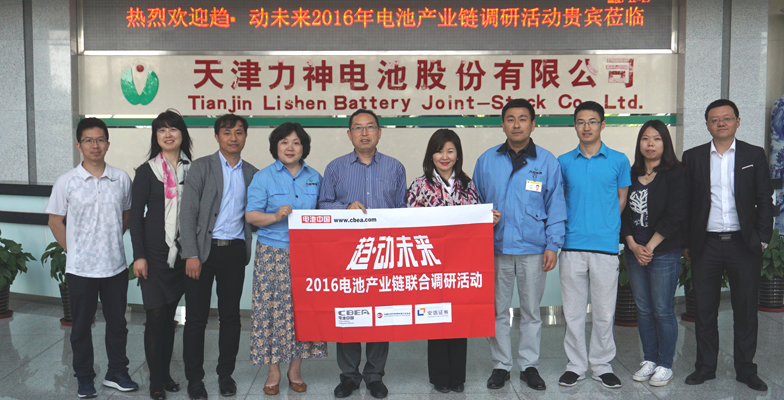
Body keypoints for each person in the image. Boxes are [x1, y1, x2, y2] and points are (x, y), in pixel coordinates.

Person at [473, 99, 567, 391]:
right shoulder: (486, 160)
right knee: (497, 311)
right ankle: (501, 365)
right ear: (502, 124)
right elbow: (474, 202)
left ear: (533, 124)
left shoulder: (547, 161)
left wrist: (553, 244)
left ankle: (529, 366)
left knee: (531, 311)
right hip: (496, 248)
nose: (516, 125)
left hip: (533, 249)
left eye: (523, 119)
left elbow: (556, 204)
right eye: (510, 119)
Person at [682, 99, 773, 391]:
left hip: (743, 244)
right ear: (707, 125)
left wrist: (762, 238)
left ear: (737, 121)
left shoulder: (753, 154)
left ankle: (746, 369)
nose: (721, 123)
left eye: (726, 118)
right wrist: (687, 242)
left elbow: (764, 199)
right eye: (714, 119)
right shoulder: (692, 156)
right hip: (706, 244)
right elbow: (686, 203)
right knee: (704, 309)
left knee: (745, 309)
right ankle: (705, 367)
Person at [46, 118, 139, 398]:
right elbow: (55, 221)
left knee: (118, 324)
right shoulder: (67, 181)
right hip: (81, 269)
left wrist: (109, 241)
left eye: (100, 140)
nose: (94, 145)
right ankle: (84, 377)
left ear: (108, 144)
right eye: (88, 140)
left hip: (115, 267)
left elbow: (126, 215)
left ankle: (117, 372)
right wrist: (75, 249)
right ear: (79, 145)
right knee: (80, 327)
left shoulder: (121, 178)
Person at [318, 109, 406, 399]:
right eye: (358, 128)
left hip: (383, 253)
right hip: (346, 254)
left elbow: (403, 211)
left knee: (381, 314)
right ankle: (349, 376)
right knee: (348, 314)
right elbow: (322, 205)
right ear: (349, 134)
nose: (364, 133)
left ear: (379, 132)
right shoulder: (335, 168)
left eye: (370, 127)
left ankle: (375, 375)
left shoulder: (395, 167)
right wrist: (345, 208)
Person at [407, 129, 500, 394]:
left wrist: (489, 220)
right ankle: (439, 376)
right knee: (435, 318)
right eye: (439, 151)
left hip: (462, 264)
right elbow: (410, 222)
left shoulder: (468, 184)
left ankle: (458, 376)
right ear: (431, 155)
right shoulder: (419, 185)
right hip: (431, 264)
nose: (445, 156)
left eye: (450, 151)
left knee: (459, 317)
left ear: (458, 154)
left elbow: (475, 222)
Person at [179, 114, 258, 400]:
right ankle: (194, 379)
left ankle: (226, 375)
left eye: (238, 132)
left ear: (245, 136)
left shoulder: (252, 173)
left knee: (231, 317)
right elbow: (187, 214)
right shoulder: (201, 167)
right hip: (203, 251)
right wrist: (191, 253)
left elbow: (256, 214)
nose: (233, 138)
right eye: (227, 132)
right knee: (196, 318)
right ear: (217, 137)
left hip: (235, 251)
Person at [245, 122, 328, 395]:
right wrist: (275, 216)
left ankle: (295, 370)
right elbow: (251, 215)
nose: (290, 147)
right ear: (275, 147)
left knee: (303, 311)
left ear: (304, 147)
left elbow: (325, 213)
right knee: (271, 311)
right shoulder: (263, 177)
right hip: (272, 253)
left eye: (296, 142)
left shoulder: (315, 177)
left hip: (308, 253)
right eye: (284, 142)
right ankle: (273, 372)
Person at [557, 101, 631, 389]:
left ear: (603, 124)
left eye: (592, 121)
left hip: (605, 246)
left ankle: (601, 366)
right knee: (573, 313)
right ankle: (575, 366)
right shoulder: (563, 161)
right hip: (572, 246)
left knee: (604, 312)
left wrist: (606, 226)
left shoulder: (619, 160)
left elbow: (621, 199)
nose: (586, 127)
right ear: (574, 126)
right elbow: (560, 199)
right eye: (580, 122)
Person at [130, 111, 193, 400]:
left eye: (173, 129)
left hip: (181, 256)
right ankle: (155, 380)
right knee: (155, 316)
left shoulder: (193, 170)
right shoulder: (146, 171)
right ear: (155, 136)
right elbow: (135, 218)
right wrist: (139, 256)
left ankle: (165, 373)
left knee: (169, 318)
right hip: (154, 256)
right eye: (161, 130)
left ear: (182, 134)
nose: (168, 135)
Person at [620, 120, 686, 387]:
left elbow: (676, 214)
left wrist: (650, 246)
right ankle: (649, 359)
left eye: (657, 139)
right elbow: (622, 212)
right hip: (634, 251)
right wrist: (632, 244)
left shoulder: (676, 173)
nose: (650, 144)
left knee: (662, 309)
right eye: (645, 138)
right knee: (644, 308)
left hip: (663, 252)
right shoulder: (630, 173)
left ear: (665, 143)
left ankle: (665, 364)